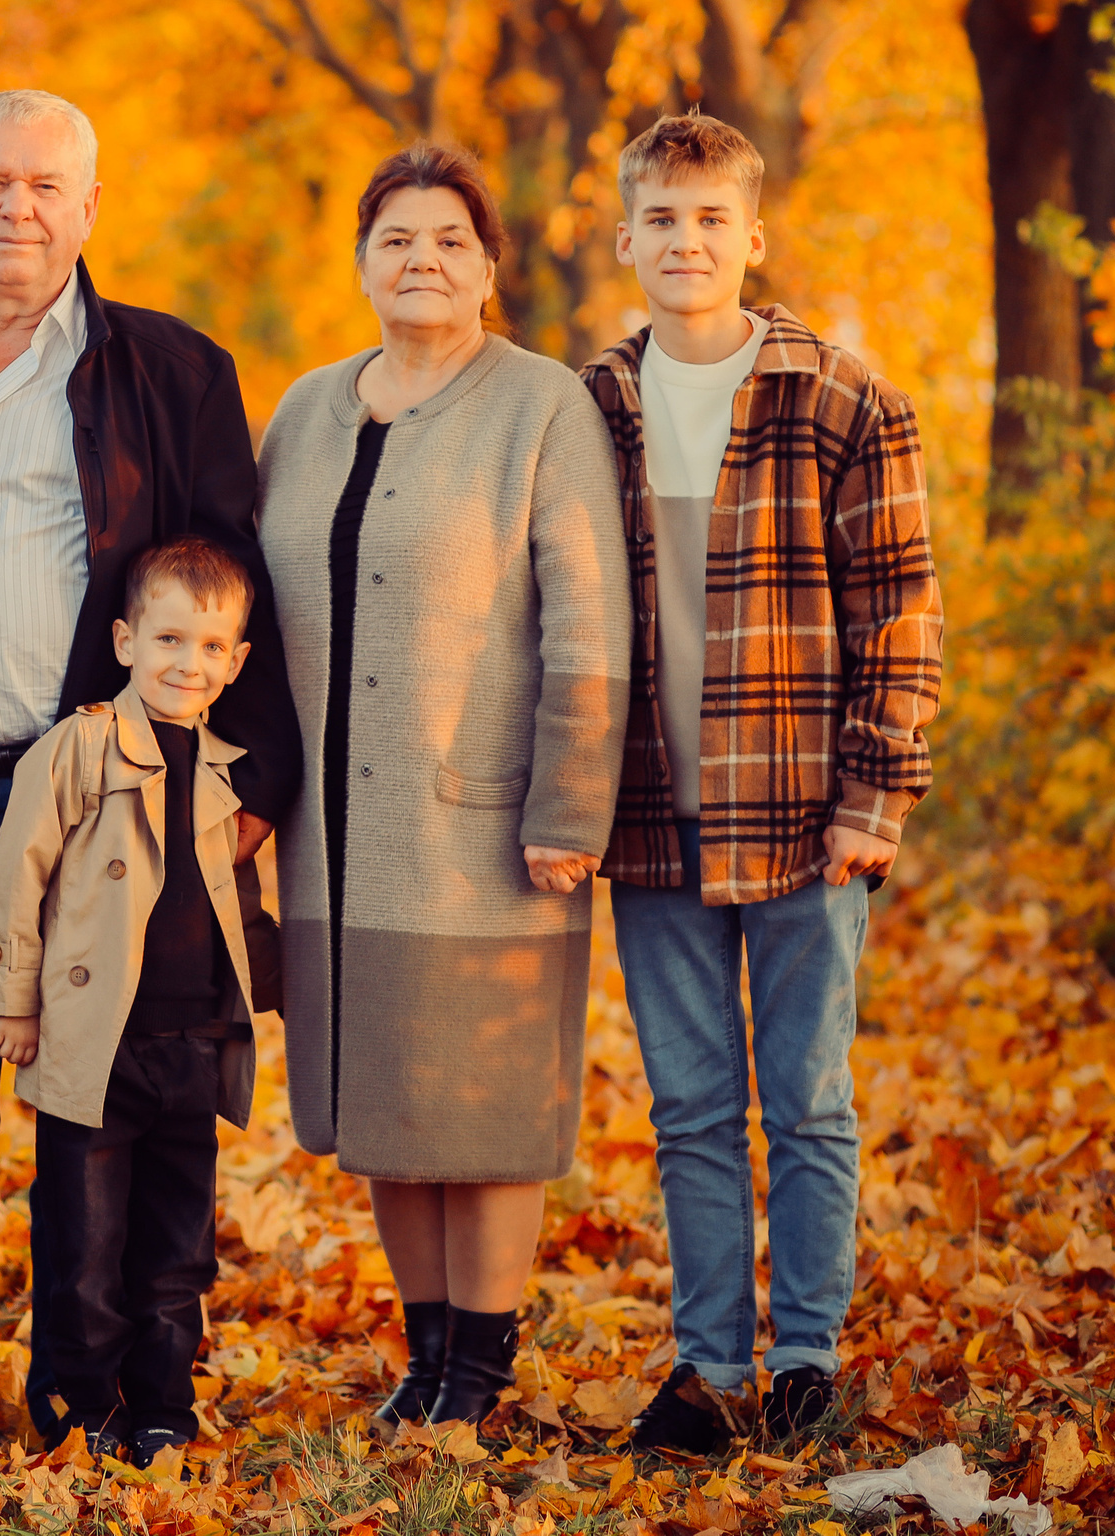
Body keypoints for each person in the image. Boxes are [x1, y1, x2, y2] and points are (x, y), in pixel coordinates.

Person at [0, 88, 301, 1439]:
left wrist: (251, 787)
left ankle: (112, 1391)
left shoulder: (171, 371)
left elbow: (236, 579)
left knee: (112, 1112)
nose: (16, 208)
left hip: (108, 820)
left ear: (91, 209)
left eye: (45, 186)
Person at [255, 140, 630, 1427]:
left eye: (450, 240)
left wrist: (570, 805)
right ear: (362, 261)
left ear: (487, 269)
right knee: (382, 1096)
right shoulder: (304, 409)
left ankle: (477, 1368)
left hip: (484, 826)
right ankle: (423, 1358)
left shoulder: (540, 408)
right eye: (397, 239)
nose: (423, 260)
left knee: (485, 1106)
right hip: (334, 832)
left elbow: (589, 619)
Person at [584, 115, 943, 1453]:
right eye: (662, 222)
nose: (686, 244)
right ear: (627, 241)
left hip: (802, 815)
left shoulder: (845, 398)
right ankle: (708, 1367)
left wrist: (877, 794)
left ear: (751, 237)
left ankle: (803, 1359)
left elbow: (903, 611)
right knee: (687, 1107)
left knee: (806, 1099)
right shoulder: (593, 406)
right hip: (653, 816)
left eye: (710, 221)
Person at [0, 537, 282, 1466]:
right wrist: (15, 999)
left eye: (208, 647)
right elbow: (15, 870)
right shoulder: (80, 747)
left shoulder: (233, 768)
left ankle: (161, 1402)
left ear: (234, 663)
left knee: (176, 1245)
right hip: (93, 1044)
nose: (185, 664)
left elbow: (242, 905)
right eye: (167, 639)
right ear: (124, 641)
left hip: (192, 1043)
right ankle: (79, 1405)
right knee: (84, 1242)